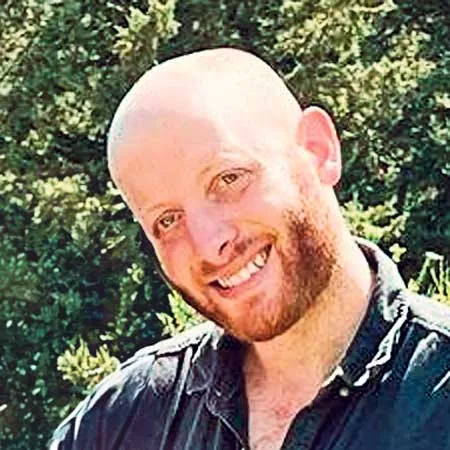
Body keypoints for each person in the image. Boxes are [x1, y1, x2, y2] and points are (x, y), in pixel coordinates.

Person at [49, 48, 450, 450]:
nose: (210, 245)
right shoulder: (120, 423)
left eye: (229, 179)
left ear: (318, 151)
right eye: (167, 220)